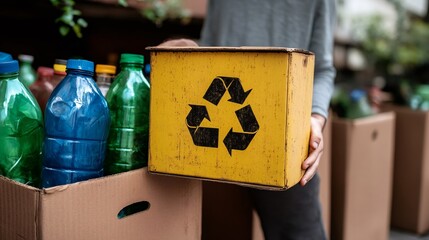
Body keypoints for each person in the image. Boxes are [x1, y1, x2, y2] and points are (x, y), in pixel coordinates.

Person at [160, 0, 336, 239]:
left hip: (283, 139)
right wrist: (188, 50)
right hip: (211, 144)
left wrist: (315, 119)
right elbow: (213, 49)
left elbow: (322, 68)